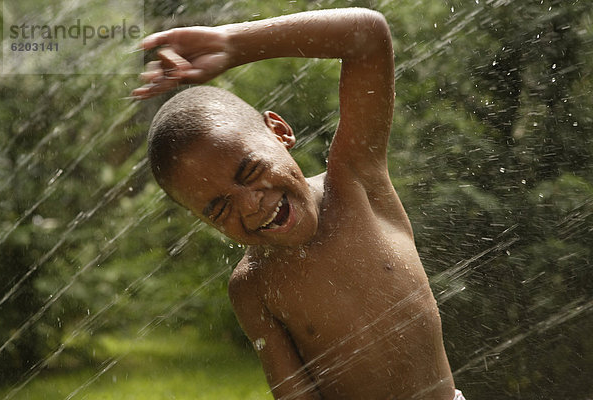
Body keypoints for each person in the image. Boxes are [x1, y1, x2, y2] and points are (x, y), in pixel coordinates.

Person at [133, 8, 464, 400]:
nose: (252, 205)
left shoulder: (356, 182)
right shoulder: (253, 287)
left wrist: (233, 43)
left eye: (250, 170)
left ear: (280, 131)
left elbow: (367, 35)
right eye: (219, 208)